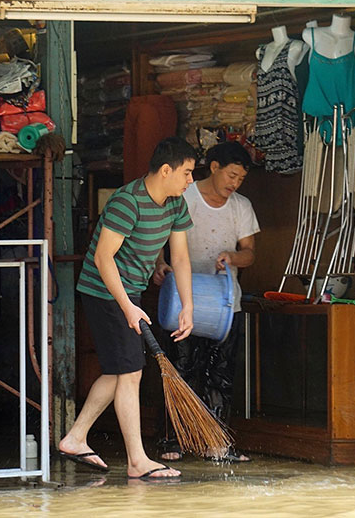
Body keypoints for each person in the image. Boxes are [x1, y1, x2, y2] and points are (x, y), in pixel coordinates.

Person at [59, 137, 196, 480]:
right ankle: (137, 460)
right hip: (103, 291)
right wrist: (128, 307)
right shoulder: (127, 201)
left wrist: (188, 305)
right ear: (167, 170)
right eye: (188, 173)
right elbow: (104, 258)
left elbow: (179, 256)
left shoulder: (176, 204)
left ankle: (75, 437)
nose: (190, 180)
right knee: (131, 370)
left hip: (130, 294)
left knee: (120, 369)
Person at [153, 141, 260, 462]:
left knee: (221, 375)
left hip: (225, 306)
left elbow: (250, 254)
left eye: (240, 179)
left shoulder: (241, 206)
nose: (234, 184)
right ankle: (173, 441)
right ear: (213, 167)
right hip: (181, 300)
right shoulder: (184, 197)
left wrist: (233, 257)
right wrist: (160, 263)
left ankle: (217, 443)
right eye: (231, 175)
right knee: (180, 369)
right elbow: (159, 236)